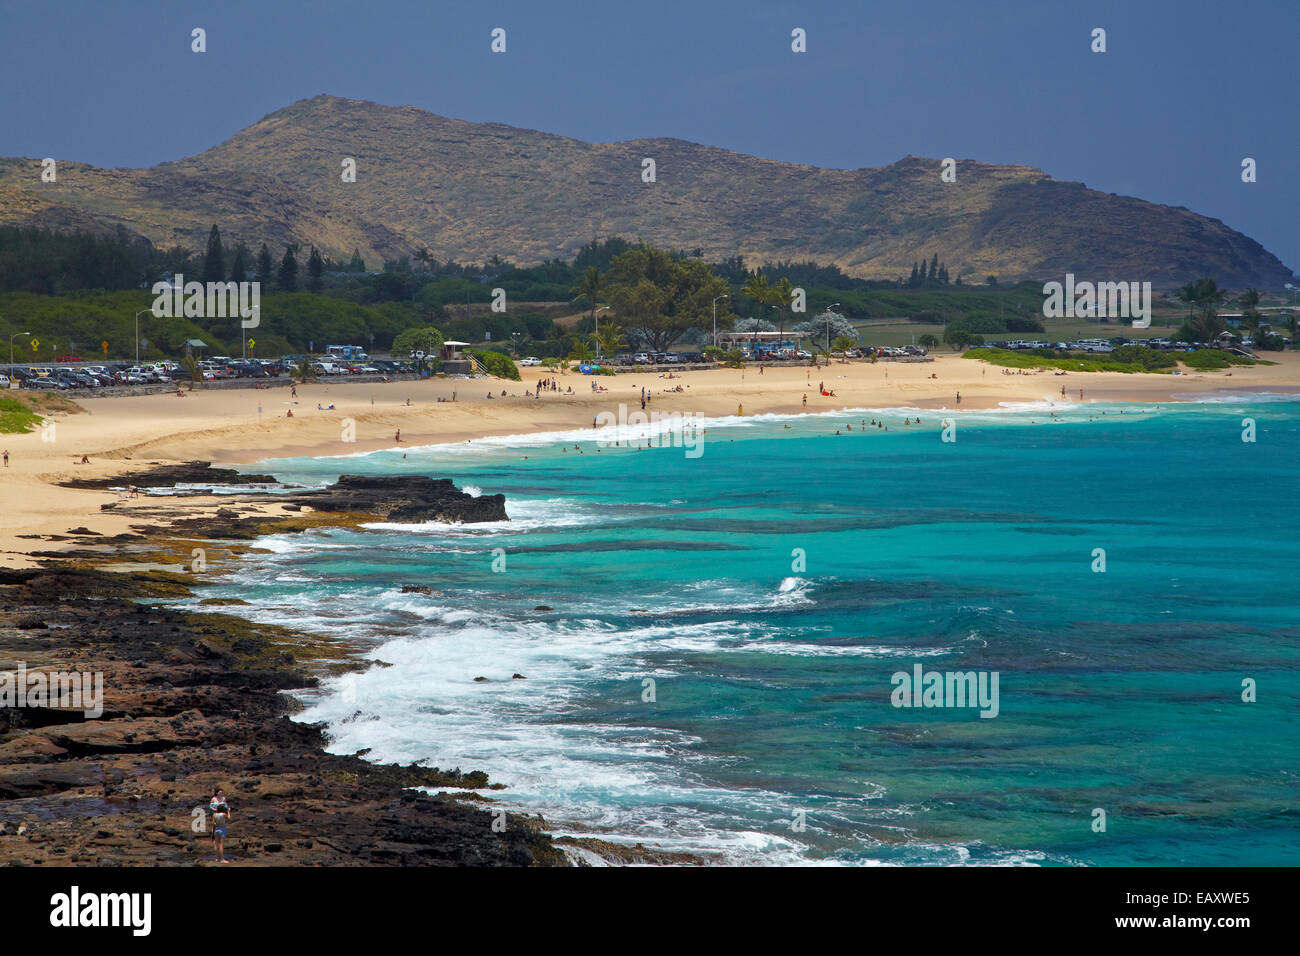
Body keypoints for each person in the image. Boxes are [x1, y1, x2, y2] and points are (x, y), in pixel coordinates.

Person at [210, 789, 230, 863]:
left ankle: (218, 858)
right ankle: (221, 859)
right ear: (217, 793)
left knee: (216, 841)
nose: (221, 793)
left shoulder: (223, 798)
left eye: (222, 792)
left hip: (217, 818)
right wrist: (227, 811)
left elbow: (225, 806)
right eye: (219, 792)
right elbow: (211, 808)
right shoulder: (213, 799)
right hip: (220, 822)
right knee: (220, 843)